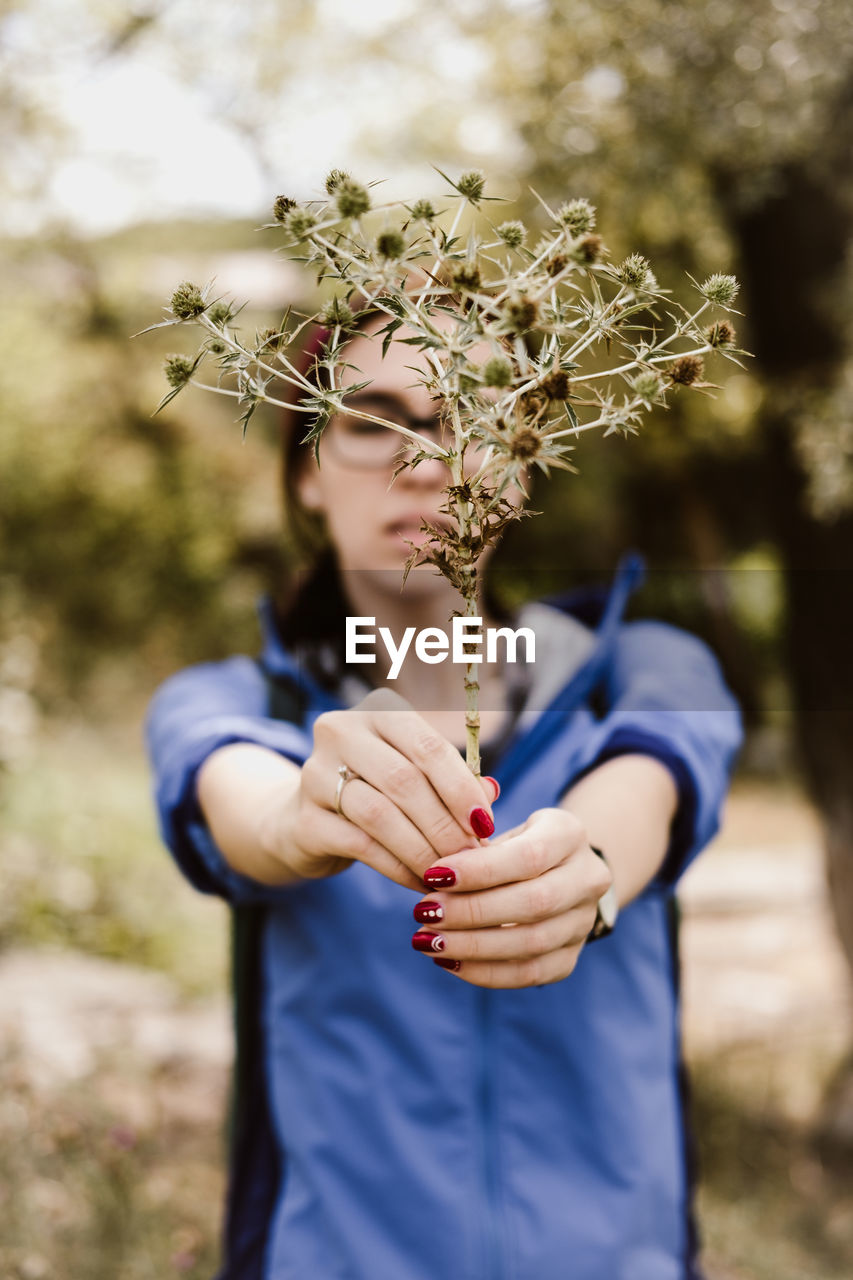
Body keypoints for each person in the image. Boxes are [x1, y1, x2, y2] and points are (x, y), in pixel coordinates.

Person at [145, 308, 742, 1280]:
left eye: (470, 415)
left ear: (522, 461)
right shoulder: (230, 702)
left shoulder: (645, 667)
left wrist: (580, 870)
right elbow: (239, 795)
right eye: (370, 420)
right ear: (304, 468)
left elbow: (653, 776)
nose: (423, 461)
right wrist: (306, 814)